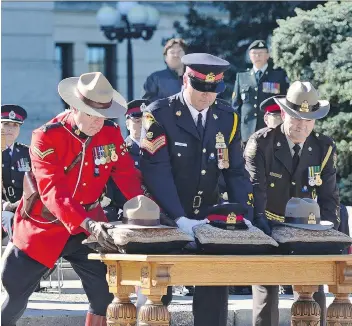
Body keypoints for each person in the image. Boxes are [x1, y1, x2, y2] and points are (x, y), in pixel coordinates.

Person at [1, 72, 144, 326]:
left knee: (107, 294)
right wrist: (87, 223)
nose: (97, 123)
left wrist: (144, 209)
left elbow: (126, 176)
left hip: (89, 227)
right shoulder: (46, 136)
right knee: (15, 291)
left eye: (103, 116)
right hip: (44, 226)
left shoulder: (110, 133)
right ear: (74, 107)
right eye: (90, 114)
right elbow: (53, 192)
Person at [140, 53, 254, 326]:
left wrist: (247, 215)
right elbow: (157, 172)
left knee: (214, 291)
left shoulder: (227, 117)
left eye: (213, 89)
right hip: (164, 216)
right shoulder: (158, 114)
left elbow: (235, 170)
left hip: (208, 214)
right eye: (200, 87)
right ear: (185, 81)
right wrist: (179, 218)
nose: (206, 95)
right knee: (157, 296)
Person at [244, 81, 340, 326]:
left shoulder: (323, 147)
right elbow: (256, 192)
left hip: (308, 229)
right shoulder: (261, 143)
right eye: (296, 117)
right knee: (266, 301)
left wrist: (331, 238)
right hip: (269, 225)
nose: (302, 125)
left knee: (314, 300)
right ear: (284, 113)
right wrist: (262, 233)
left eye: (309, 120)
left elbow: (329, 198)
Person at [232, 40, 289, 144]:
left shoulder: (278, 76)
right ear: (249, 56)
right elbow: (236, 106)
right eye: (254, 53)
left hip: (271, 128)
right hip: (246, 131)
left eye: (260, 53)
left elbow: (284, 103)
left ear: (267, 55)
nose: (257, 56)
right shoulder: (241, 77)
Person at [103, 99, 149, 222]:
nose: (142, 125)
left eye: (146, 121)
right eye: (137, 121)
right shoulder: (118, 151)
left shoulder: (160, 150)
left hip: (156, 212)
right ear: (127, 124)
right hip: (127, 212)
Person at [1, 105, 30, 241]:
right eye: (6, 124)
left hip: (25, 207)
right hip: (4, 209)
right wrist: (4, 205)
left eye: (15, 125)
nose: (11, 129)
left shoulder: (27, 153)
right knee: (8, 218)